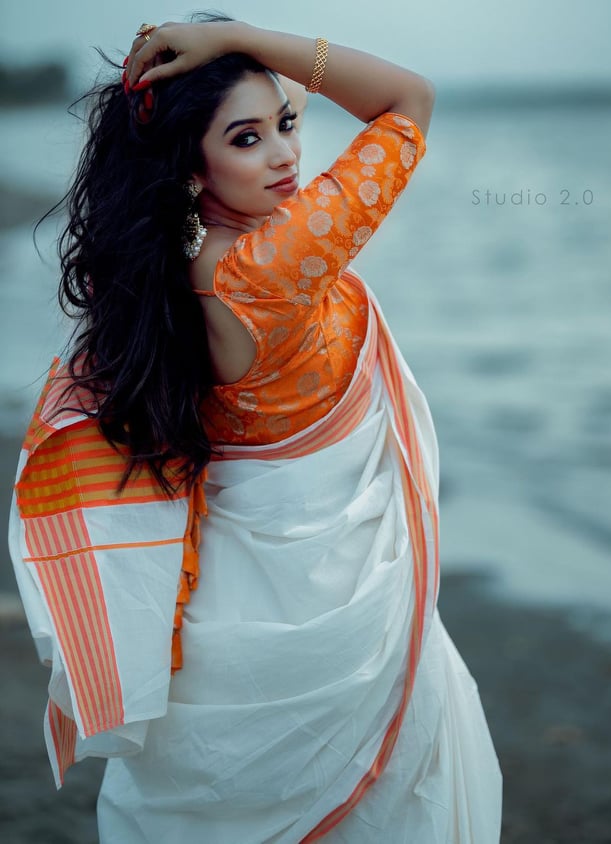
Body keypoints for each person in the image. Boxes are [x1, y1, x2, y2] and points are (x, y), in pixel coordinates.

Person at [8, 14, 502, 843]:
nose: (283, 154)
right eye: (246, 138)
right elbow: (405, 103)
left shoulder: (167, 277)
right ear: (190, 166)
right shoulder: (272, 268)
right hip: (334, 588)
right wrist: (246, 36)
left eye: (287, 122)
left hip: (238, 587)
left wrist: (236, 59)